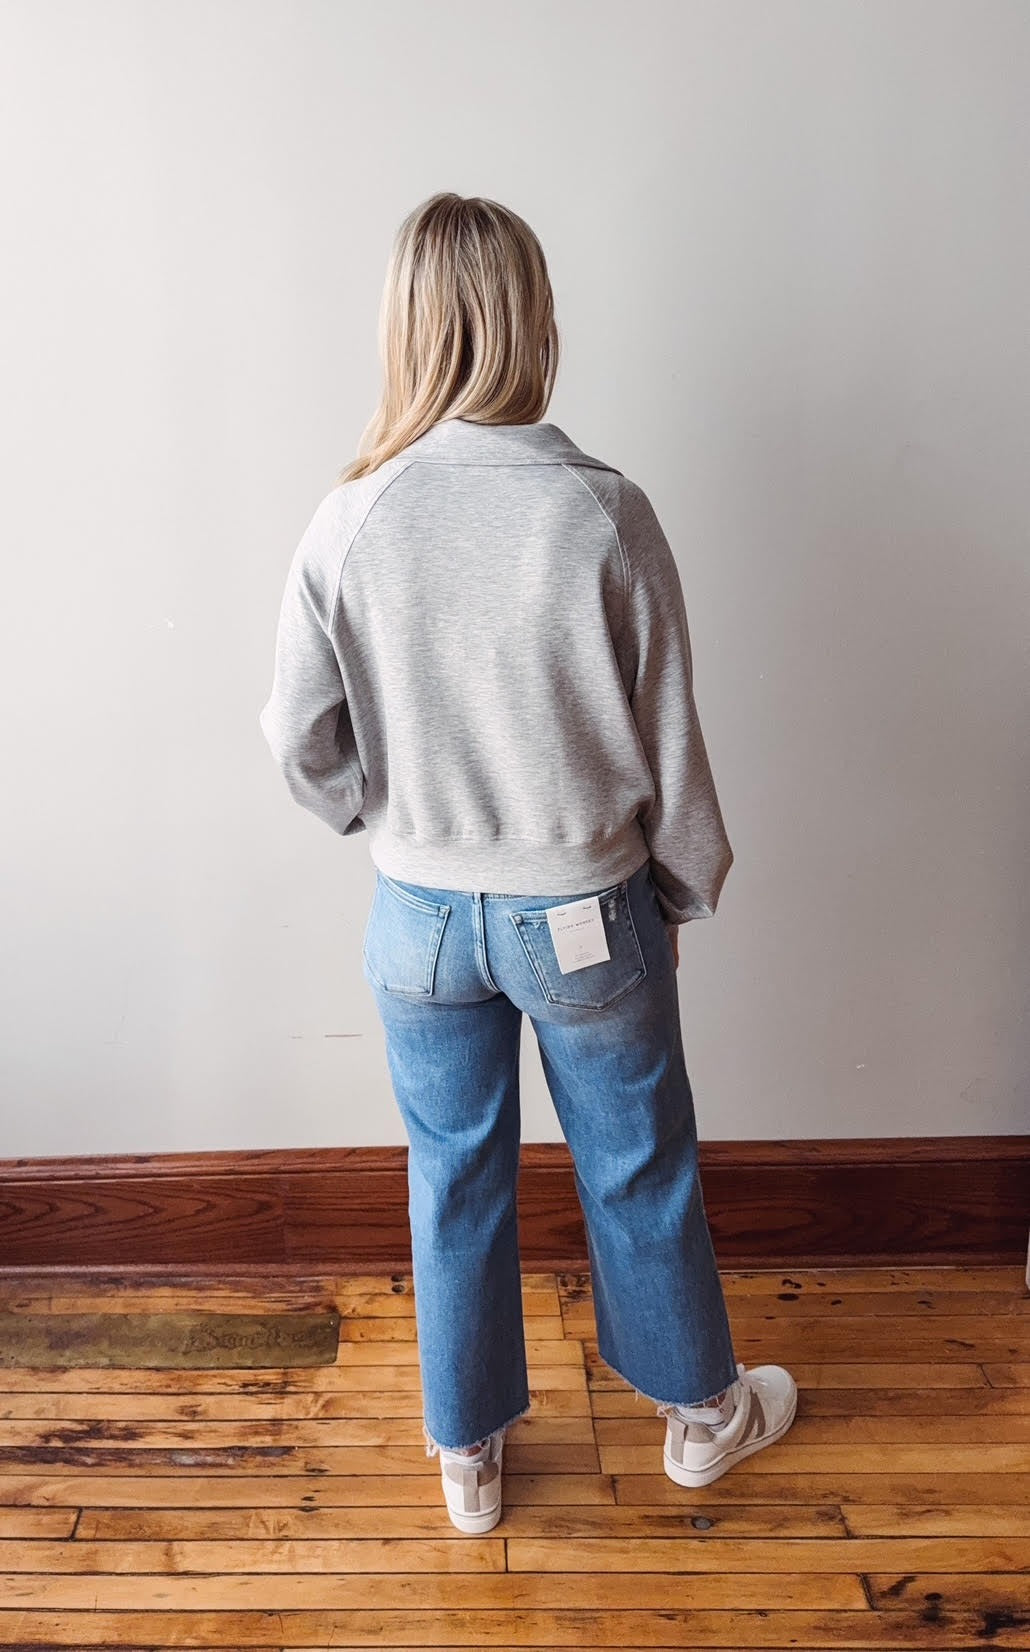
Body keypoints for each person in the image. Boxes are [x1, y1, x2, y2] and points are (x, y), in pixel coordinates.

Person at [259, 190, 797, 1534]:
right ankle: (698, 1419)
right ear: (530, 322)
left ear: (407, 328)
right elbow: (667, 735)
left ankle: (470, 1457)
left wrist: (377, 819)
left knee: (452, 1170)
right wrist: (678, 885)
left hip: (422, 917)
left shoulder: (352, 516)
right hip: (581, 907)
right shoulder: (600, 510)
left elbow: (296, 734)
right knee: (635, 1161)